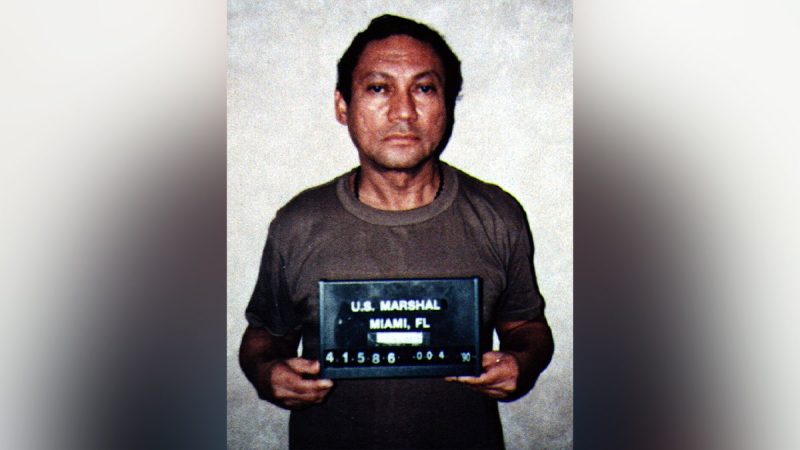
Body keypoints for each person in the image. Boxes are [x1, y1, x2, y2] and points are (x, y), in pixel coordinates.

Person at [239, 14, 554, 450]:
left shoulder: (498, 216)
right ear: (342, 106)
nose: (403, 111)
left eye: (424, 88)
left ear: (447, 105)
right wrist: (266, 371)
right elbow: (265, 335)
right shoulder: (298, 223)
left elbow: (527, 326)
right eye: (378, 88)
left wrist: (523, 362)